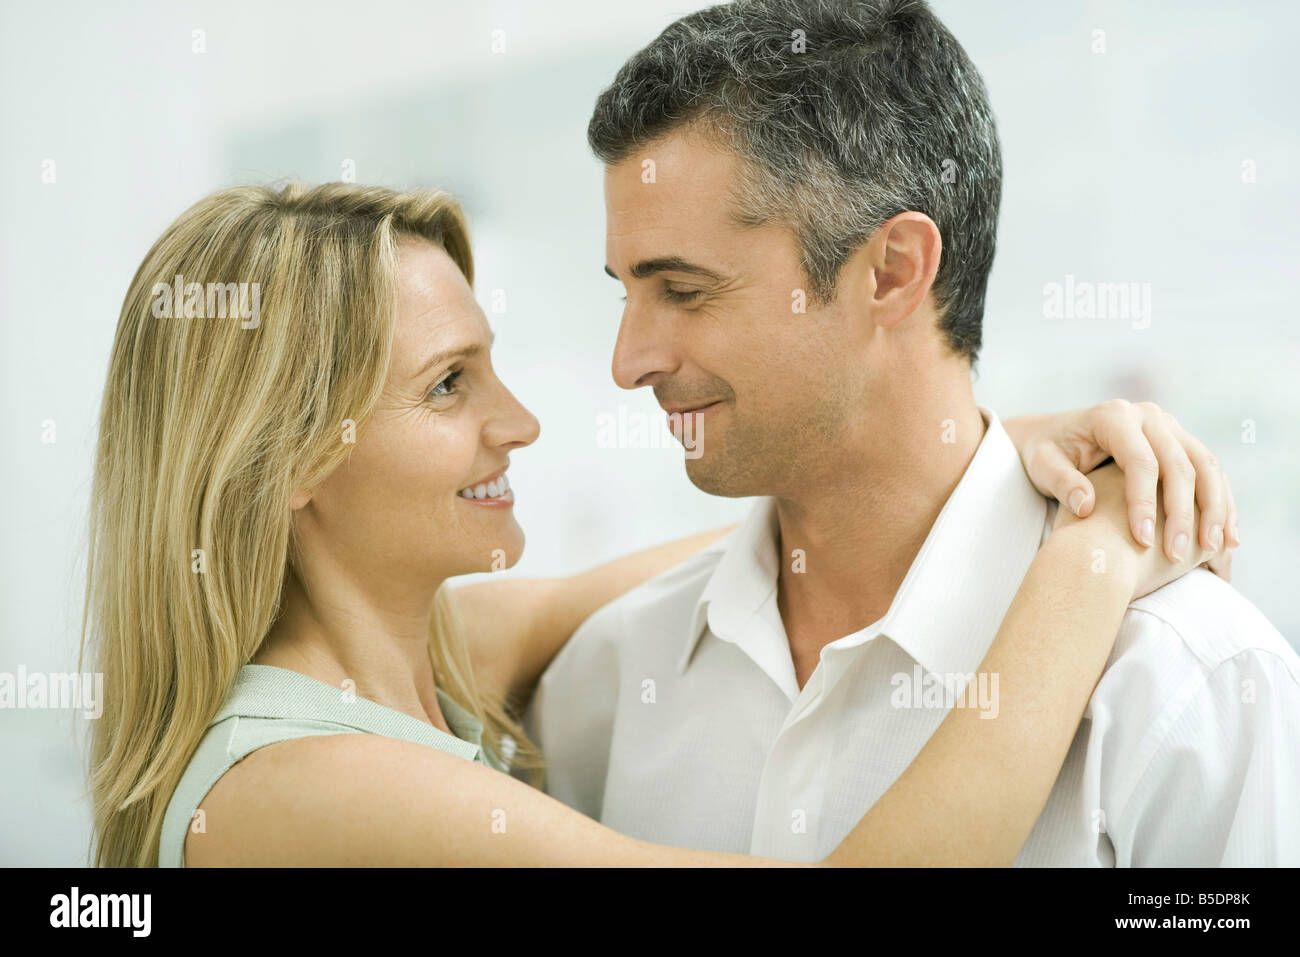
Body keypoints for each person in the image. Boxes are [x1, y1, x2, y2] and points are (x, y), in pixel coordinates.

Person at [79, 183, 1228, 867]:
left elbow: (779, 533)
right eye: (447, 387)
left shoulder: (441, 655)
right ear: (285, 458)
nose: (518, 423)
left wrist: (1006, 449)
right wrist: (1093, 552)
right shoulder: (298, 785)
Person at [526, 0, 1300, 866]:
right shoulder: (610, 677)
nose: (627, 362)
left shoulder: (1187, 682)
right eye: (623, 291)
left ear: (893, 272)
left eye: (683, 290)